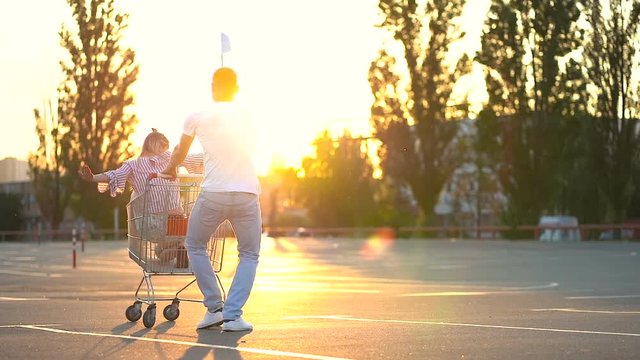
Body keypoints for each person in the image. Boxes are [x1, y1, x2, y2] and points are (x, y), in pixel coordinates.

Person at [161, 67, 262, 332]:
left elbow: (180, 154)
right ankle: (232, 316)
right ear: (237, 88)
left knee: (194, 244)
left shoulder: (196, 116)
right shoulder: (248, 115)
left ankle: (214, 307)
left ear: (212, 87)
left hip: (213, 193)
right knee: (249, 254)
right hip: (246, 193)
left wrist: (171, 169)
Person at [78, 129, 203, 268]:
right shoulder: (170, 157)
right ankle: (180, 247)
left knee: (159, 252)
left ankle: (179, 248)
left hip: (153, 226)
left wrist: (93, 177)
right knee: (160, 251)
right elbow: (192, 159)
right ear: (160, 144)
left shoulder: (132, 165)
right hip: (177, 223)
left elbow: (113, 175)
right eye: (164, 147)